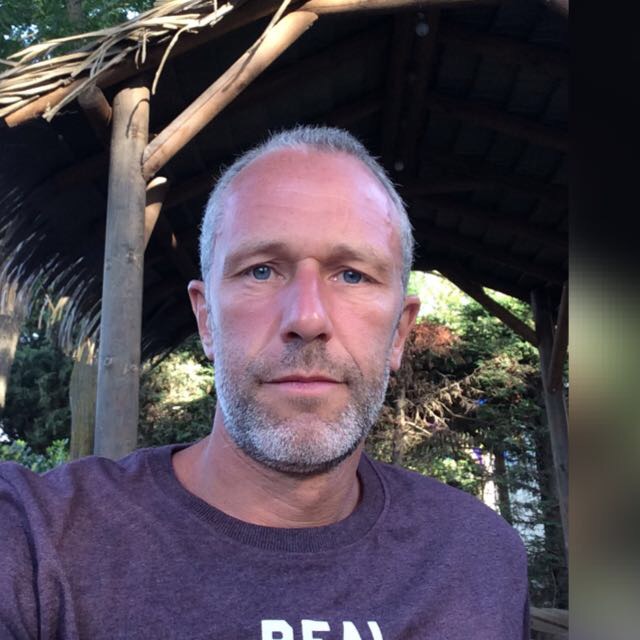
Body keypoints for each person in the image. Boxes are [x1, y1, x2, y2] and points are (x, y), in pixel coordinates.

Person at [0, 126, 529, 639]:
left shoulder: (480, 560)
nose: (307, 317)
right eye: (261, 270)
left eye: (352, 274)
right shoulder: (37, 542)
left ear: (399, 333)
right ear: (206, 320)